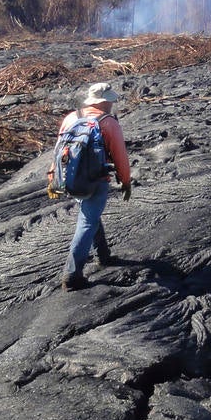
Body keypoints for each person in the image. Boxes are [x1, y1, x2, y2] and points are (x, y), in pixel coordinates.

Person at [47, 82, 132, 290]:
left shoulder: (71, 118)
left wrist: (53, 177)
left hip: (71, 179)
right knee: (87, 222)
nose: (112, 104)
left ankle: (103, 255)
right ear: (103, 102)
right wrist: (126, 181)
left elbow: (59, 151)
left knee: (90, 215)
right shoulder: (107, 122)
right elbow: (120, 156)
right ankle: (72, 275)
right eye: (110, 101)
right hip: (96, 181)